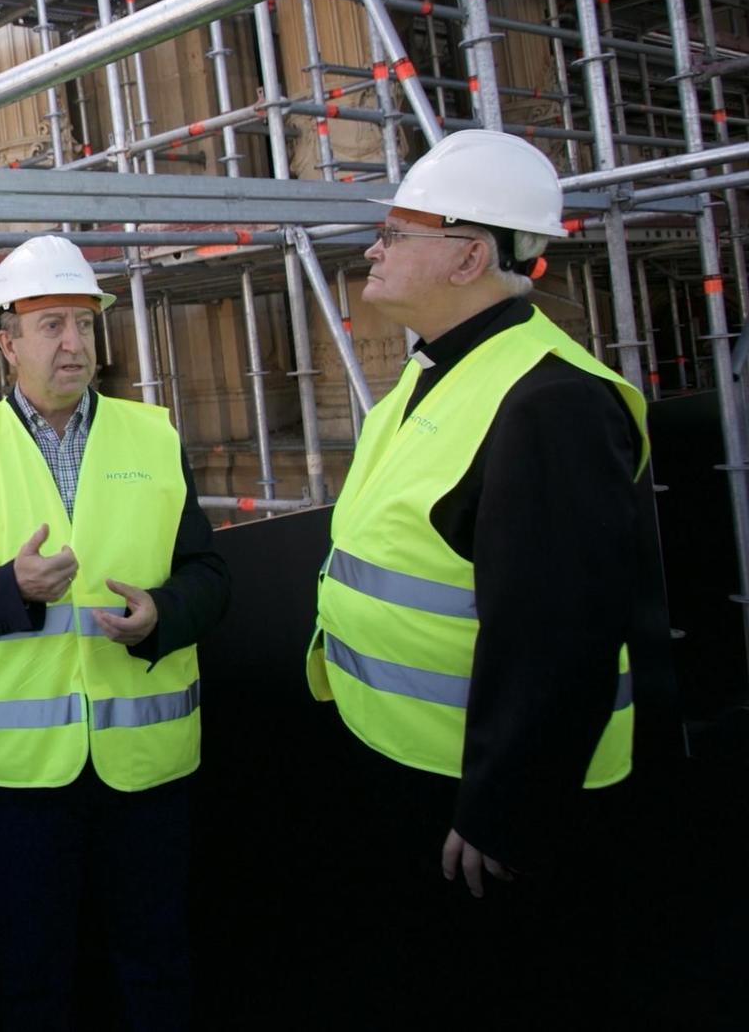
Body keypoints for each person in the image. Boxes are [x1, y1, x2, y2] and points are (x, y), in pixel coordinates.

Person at [308, 128, 660, 1011]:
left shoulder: (552, 402)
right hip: (412, 762)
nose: (373, 249)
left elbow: (562, 634)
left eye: (396, 231)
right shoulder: (435, 374)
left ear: (468, 256)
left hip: (484, 804)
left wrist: (504, 811)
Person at [0, 234, 229, 1032]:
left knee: (156, 964)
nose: (73, 343)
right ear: (6, 342)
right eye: (50, 324)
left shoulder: (152, 436)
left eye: (84, 324)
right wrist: (7, 589)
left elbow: (211, 579)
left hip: (146, 766)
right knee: (34, 978)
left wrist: (161, 615)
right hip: (22, 778)